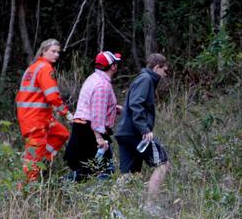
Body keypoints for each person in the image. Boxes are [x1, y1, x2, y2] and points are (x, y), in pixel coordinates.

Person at [113, 53, 171, 209]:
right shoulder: (146, 79)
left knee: (129, 174)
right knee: (162, 164)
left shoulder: (143, 79)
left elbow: (132, 104)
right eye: (165, 71)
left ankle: (111, 208)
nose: (165, 75)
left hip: (125, 132)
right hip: (135, 133)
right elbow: (136, 104)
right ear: (157, 67)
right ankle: (150, 205)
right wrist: (144, 129)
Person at [15, 39, 72, 181]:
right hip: (35, 121)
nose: (57, 55)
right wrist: (67, 114)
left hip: (38, 118)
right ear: (43, 51)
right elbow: (52, 97)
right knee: (32, 159)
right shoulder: (45, 69)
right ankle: (25, 191)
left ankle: (43, 161)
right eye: (53, 51)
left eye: (58, 52)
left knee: (61, 133)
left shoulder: (33, 67)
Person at [64, 51, 121, 180]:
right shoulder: (102, 85)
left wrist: (113, 109)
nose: (117, 65)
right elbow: (97, 114)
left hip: (83, 127)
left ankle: (63, 190)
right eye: (116, 63)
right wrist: (99, 138)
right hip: (90, 131)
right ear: (113, 66)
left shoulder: (93, 78)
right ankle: (100, 197)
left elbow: (93, 105)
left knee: (84, 170)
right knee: (103, 171)